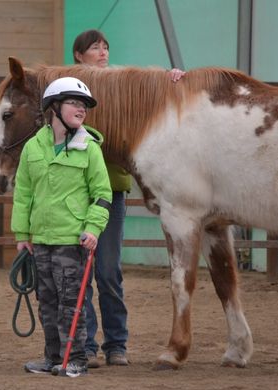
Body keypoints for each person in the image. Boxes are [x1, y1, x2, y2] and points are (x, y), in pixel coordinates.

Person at [72, 29, 185, 368]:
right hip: (75, 193)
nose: (103, 52)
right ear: (79, 56)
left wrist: (172, 79)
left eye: (106, 46)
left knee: (108, 271)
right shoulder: (71, 90)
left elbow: (146, 90)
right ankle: (87, 345)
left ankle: (116, 344)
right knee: (82, 272)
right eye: (95, 47)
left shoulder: (120, 81)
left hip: (112, 190)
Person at [12, 76, 112, 378]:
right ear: (53, 108)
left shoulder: (89, 148)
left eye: (84, 105)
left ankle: (77, 358)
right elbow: (23, 194)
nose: (81, 109)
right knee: (47, 302)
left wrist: (93, 229)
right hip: (41, 240)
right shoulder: (33, 148)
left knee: (73, 303)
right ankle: (53, 357)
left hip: (73, 240)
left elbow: (103, 194)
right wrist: (21, 235)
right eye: (74, 103)